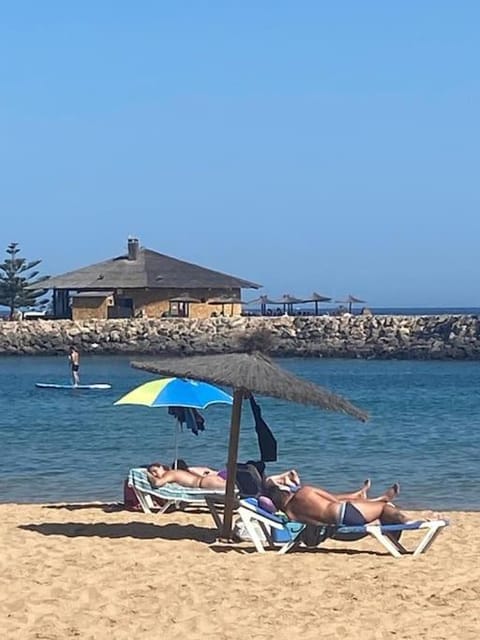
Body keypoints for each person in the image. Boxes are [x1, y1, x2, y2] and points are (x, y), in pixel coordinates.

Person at [266, 479, 407, 527]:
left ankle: (365, 496)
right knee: (384, 508)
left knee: (340, 503)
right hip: (344, 512)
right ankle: (382, 500)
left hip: (335, 523)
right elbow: (333, 499)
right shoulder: (305, 491)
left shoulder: (291, 515)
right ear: (286, 493)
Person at [147, 462, 227, 491]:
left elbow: (157, 483)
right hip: (207, 480)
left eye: (155, 471)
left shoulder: (169, 474)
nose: (155, 474)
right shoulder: (174, 472)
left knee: (233, 488)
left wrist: (149, 475)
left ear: (161, 467)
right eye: (152, 473)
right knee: (234, 487)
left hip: (204, 483)